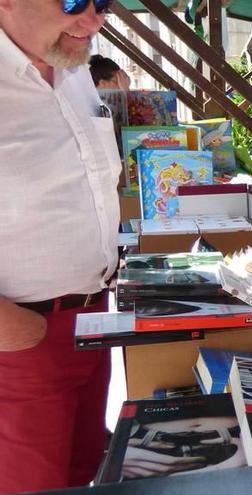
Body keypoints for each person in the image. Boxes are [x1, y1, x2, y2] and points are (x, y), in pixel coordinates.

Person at [0, 1, 122, 492]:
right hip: (20, 338)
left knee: (85, 470)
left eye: (105, 1)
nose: (95, 20)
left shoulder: (73, 70)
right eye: (73, 0)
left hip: (92, 322)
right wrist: (16, 330)